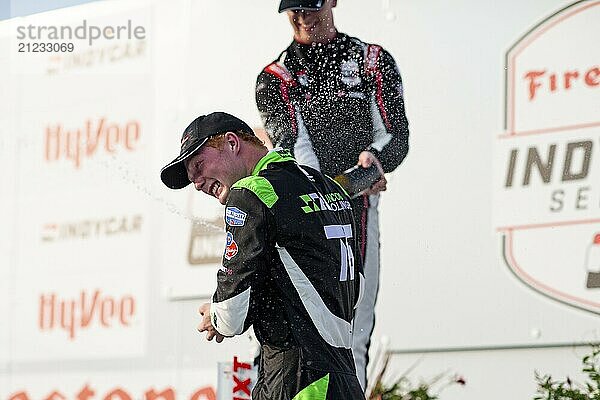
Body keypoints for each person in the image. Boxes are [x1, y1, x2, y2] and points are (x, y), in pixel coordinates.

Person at [255, 0, 410, 389]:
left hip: (357, 212)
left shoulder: (372, 61)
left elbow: (397, 138)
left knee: (353, 332)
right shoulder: (275, 76)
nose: (303, 16)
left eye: (312, 6)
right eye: (294, 8)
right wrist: (344, 183)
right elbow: (293, 148)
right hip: (302, 215)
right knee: (283, 331)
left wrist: (372, 164)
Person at [160, 111, 366, 400]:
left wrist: (215, 314)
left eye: (199, 165)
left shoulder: (251, 192)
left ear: (232, 143)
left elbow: (231, 314)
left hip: (296, 384)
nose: (197, 183)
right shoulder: (330, 189)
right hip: (346, 384)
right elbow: (357, 289)